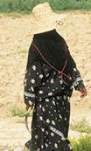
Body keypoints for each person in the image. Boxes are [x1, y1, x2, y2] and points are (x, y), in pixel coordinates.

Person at [24, 2, 87, 151]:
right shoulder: (60, 41)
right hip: (62, 100)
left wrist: (28, 98)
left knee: (47, 137)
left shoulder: (36, 46)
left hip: (45, 102)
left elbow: (32, 75)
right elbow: (71, 66)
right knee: (60, 133)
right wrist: (80, 85)